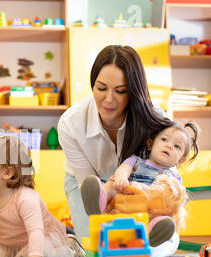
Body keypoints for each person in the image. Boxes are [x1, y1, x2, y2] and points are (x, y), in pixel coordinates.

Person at [57, 45, 172, 240]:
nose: (108, 99)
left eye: (120, 91)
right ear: (93, 85)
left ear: (134, 92)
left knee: (151, 241)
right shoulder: (70, 123)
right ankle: (77, 240)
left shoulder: (154, 118)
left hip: (138, 184)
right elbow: (88, 186)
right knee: (94, 244)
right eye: (101, 88)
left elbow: (167, 170)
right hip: (89, 186)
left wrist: (145, 196)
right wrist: (110, 207)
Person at [81, 121, 199, 257]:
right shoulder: (136, 160)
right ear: (151, 143)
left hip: (148, 211)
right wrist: (121, 178)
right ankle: (99, 201)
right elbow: (124, 168)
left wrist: (145, 189)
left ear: (180, 161)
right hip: (125, 198)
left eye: (177, 146)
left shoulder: (172, 177)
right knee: (112, 182)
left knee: (164, 211)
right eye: (164, 139)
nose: (169, 145)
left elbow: (170, 197)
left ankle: (153, 232)